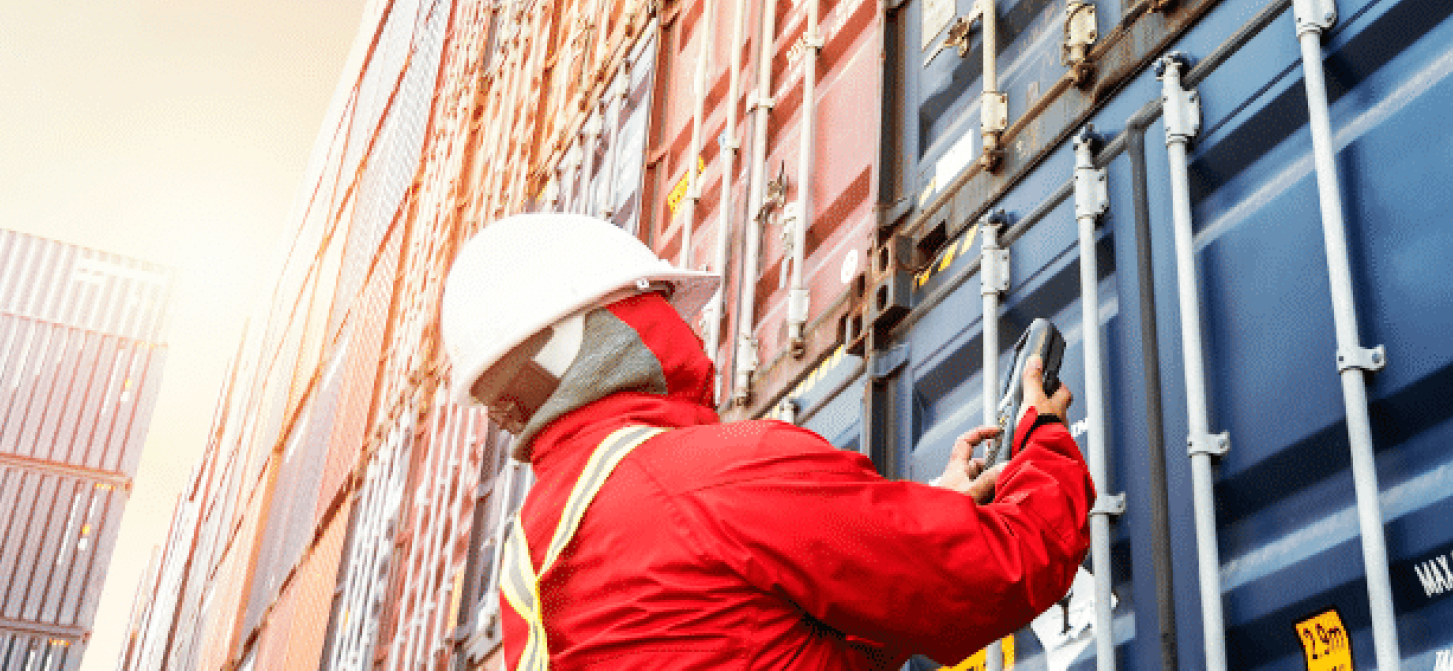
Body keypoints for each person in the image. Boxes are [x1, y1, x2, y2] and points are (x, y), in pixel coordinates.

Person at [441, 213, 1095, 670]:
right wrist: (1044, 439)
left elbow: (767, 644)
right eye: (661, 302)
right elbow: (992, 575)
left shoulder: (530, 556)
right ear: (605, 329)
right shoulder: (720, 472)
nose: (686, 328)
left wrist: (935, 514)